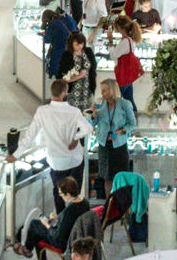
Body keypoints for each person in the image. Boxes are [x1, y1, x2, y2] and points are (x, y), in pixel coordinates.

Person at [21, 78, 95, 209]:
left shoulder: (42, 111)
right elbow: (88, 128)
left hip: (56, 161)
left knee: (58, 192)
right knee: (75, 192)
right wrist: (75, 138)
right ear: (63, 94)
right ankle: (74, 218)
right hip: (74, 159)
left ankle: (61, 219)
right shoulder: (74, 111)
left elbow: (31, 133)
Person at [13, 174, 93, 260]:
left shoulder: (68, 212)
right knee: (37, 231)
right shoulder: (85, 202)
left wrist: (47, 225)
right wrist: (58, 218)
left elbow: (57, 237)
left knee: (34, 225)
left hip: (65, 242)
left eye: (61, 194)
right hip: (76, 235)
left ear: (68, 194)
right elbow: (70, 221)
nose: (60, 196)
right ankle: (34, 257)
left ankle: (27, 249)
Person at [92, 77, 135, 183]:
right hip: (104, 146)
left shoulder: (125, 104)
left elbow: (132, 124)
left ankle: (120, 199)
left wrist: (122, 130)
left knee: (121, 178)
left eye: (104, 91)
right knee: (107, 179)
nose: (102, 94)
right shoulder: (100, 104)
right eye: (101, 90)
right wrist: (94, 113)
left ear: (112, 91)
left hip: (119, 146)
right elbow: (93, 124)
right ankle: (109, 200)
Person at [109, 13, 144, 104]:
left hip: (123, 74)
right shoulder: (130, 39)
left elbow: (114, 56)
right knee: (129, 100)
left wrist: (110, 42)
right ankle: (133, 116)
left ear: (120, 28)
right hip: (128, 73)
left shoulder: (125, 41)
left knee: (116, 99)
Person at [61, 32, 97, 113]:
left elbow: (93, 66)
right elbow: (62, 76)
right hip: (73, 92)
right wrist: (78, 76)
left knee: (86, 114)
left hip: (87, 90)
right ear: (71, 44)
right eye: (77, 44)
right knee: (73, 114)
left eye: (82, 44)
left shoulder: (88, 51)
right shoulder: (66, 56)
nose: (80, 46)